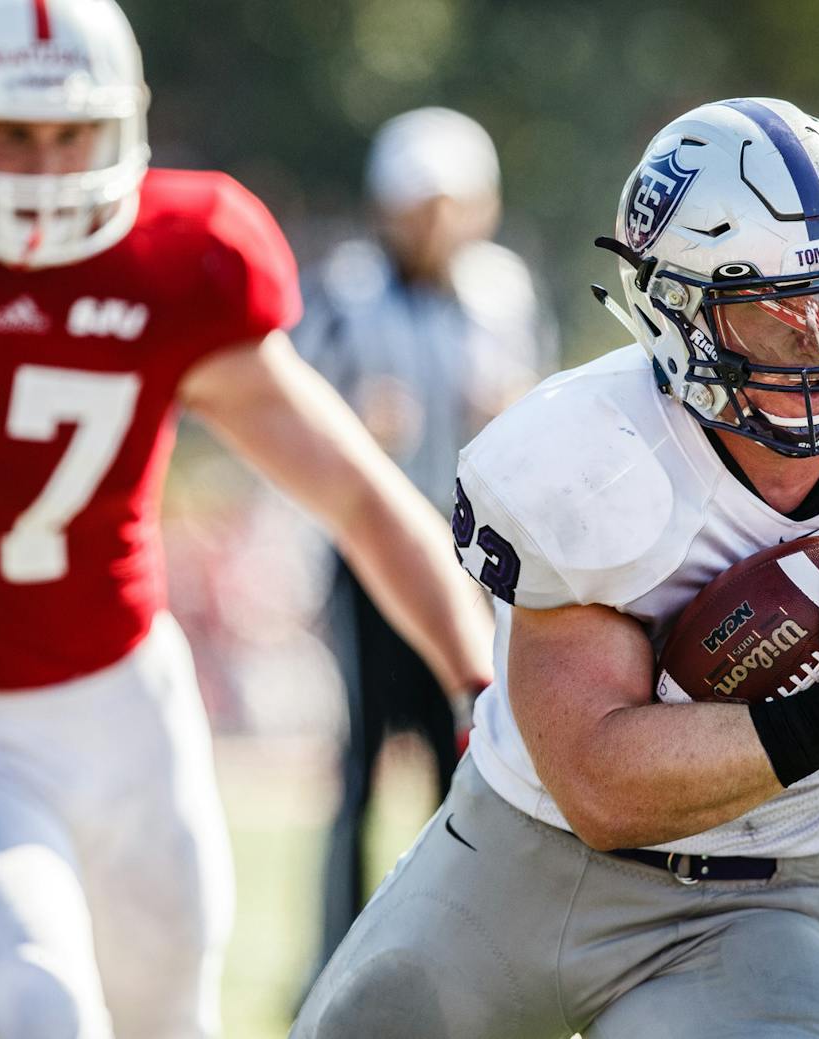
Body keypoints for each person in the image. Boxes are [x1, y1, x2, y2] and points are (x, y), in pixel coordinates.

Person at [292, 97, 819, 1039]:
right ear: (674, 312)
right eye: (775, 312)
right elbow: (598, 787)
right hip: (515, 869)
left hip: (749, 908)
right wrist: (818, 721)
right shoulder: (597, 454)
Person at [0, 1, 493, 1036]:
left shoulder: (178, 258)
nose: (42, 167)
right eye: (10, 132)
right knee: (46, 1005)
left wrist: (479, 680)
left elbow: (354, 490)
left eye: (70, 130)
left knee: (173, 1024)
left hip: (125, 714)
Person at [291, 106, 554, 981]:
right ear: (387, 206)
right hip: (372, 559)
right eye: (420, 205)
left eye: (453, 204)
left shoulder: (503, 289)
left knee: (467, 752)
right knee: (362, 761)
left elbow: (543, 402)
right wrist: (356, 427)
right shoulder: (347, 289)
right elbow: (295, 404)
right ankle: (337, 955)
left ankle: (459, 946)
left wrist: (511, 408)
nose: (437, 224)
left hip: (477, 557)